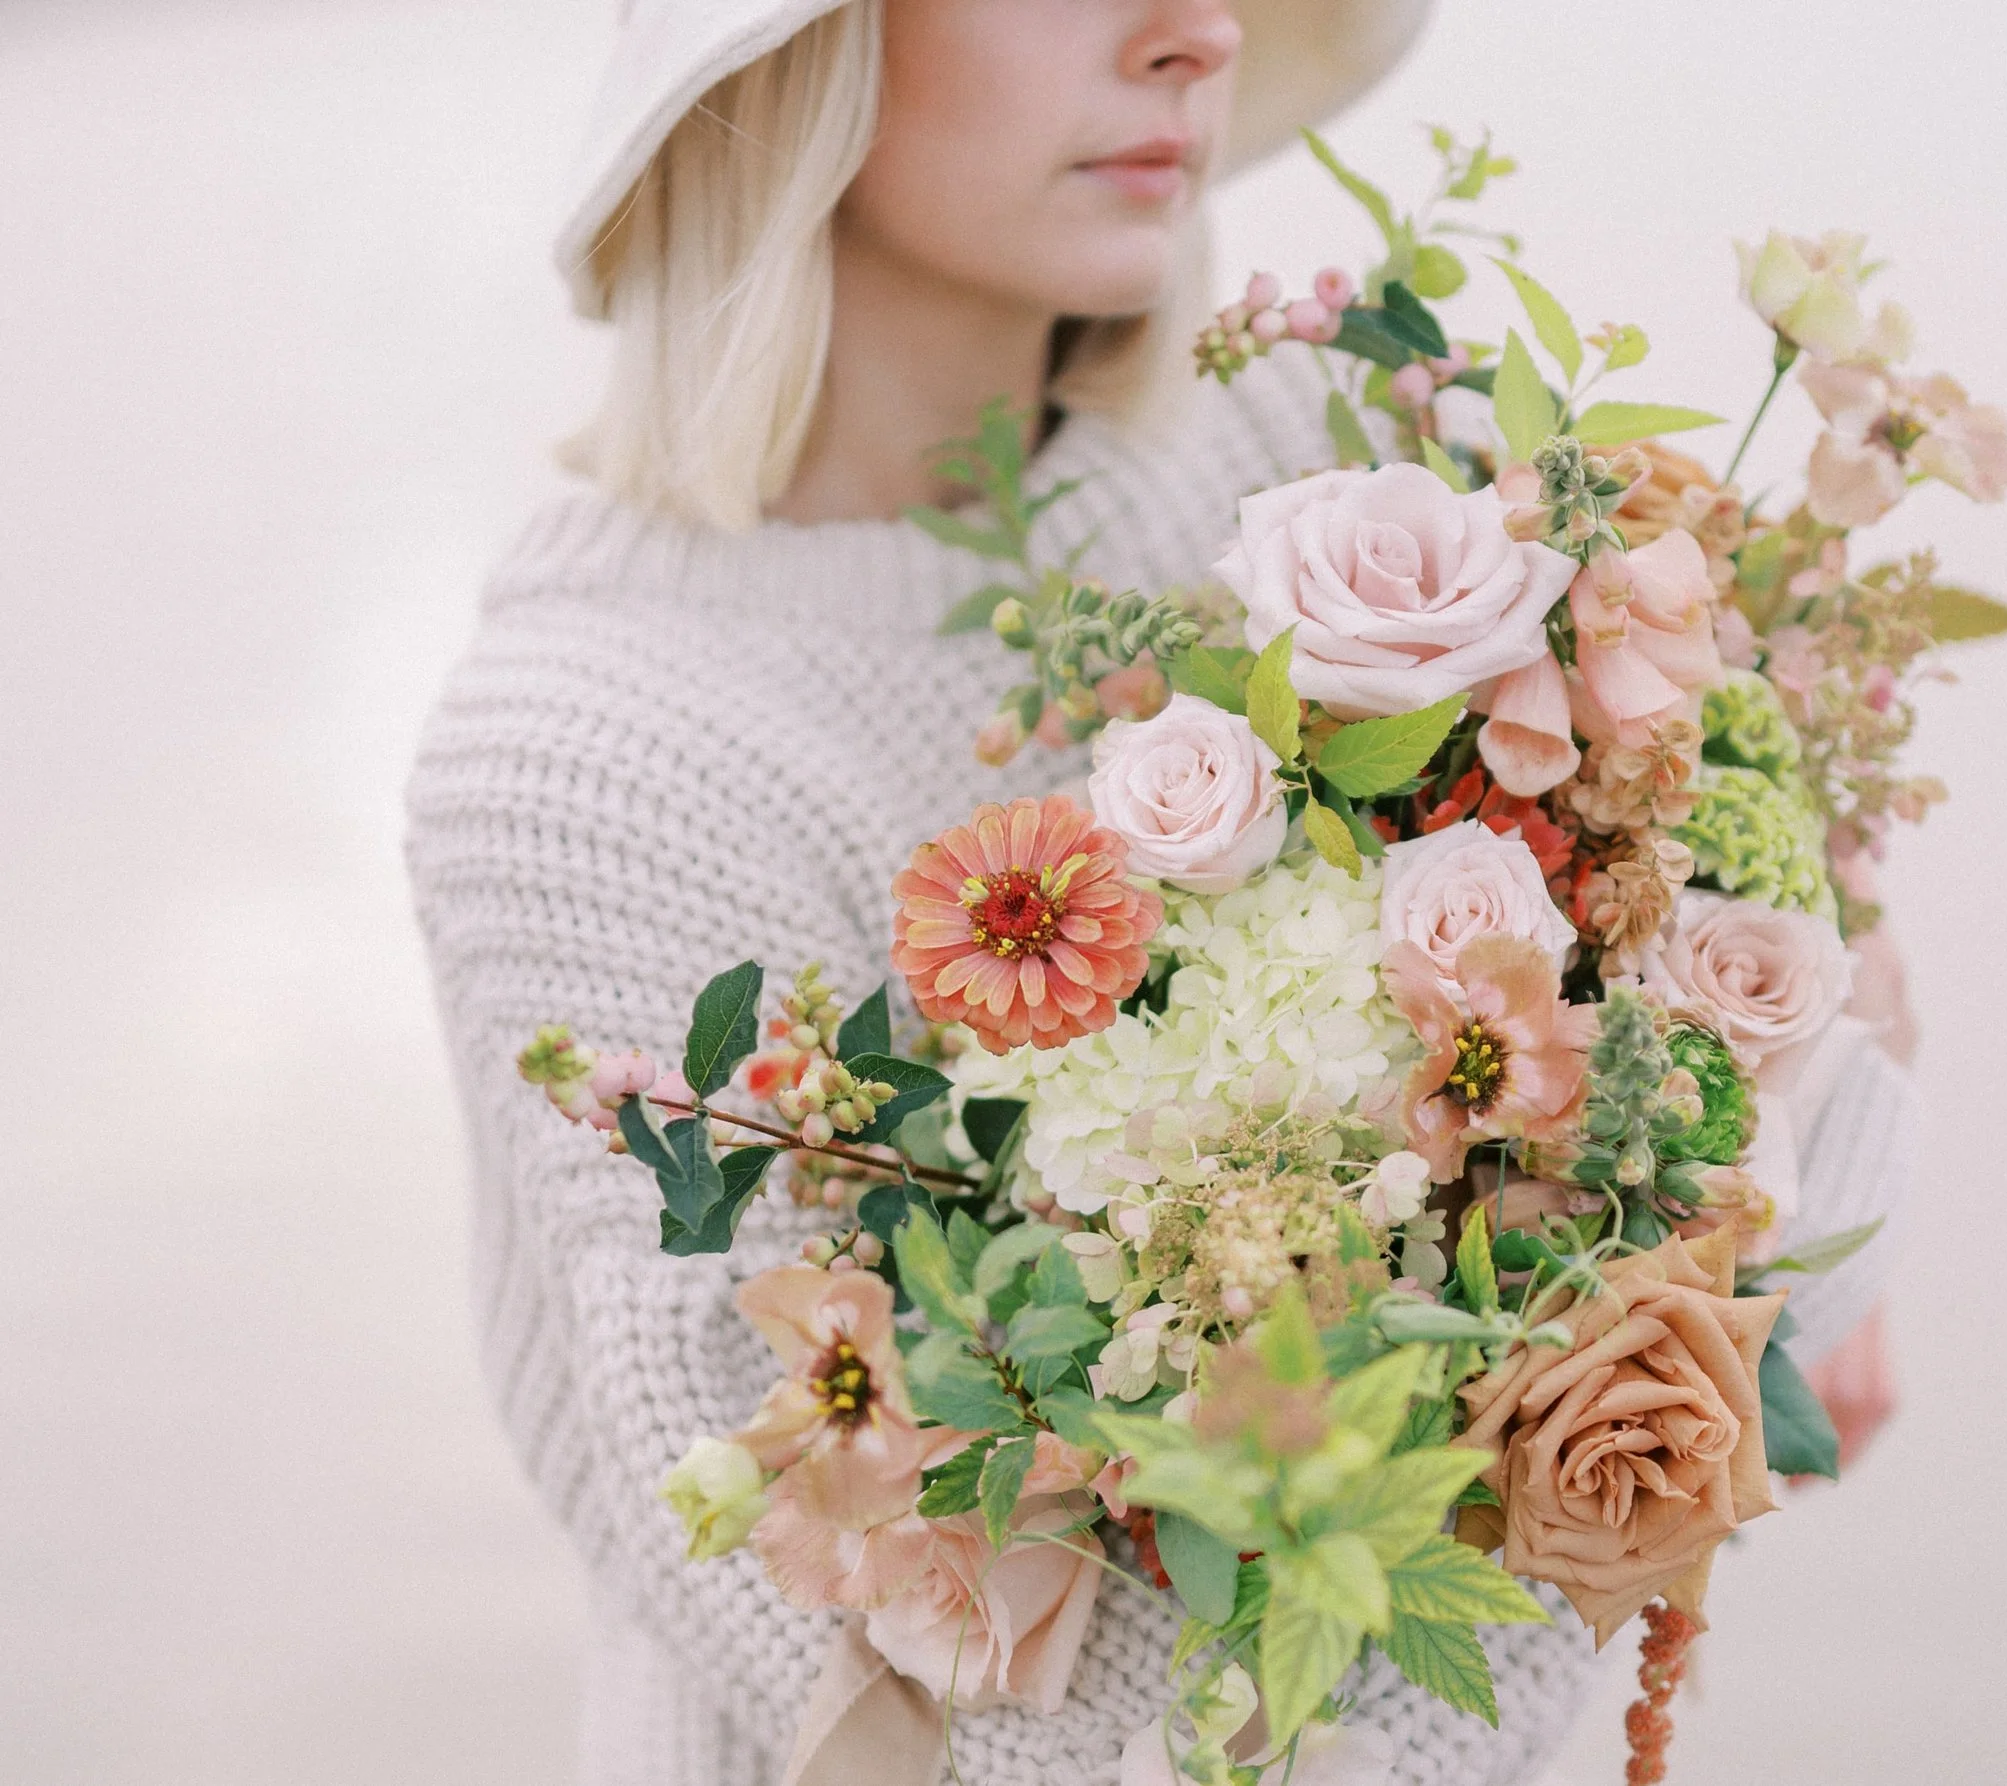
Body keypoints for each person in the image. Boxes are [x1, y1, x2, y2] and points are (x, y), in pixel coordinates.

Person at [406, 3, 1909, 1782]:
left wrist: (1742, 1154)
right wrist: (1690, 1368)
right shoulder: (585, 762)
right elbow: (1044, 1742)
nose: (1199, 32)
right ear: (791, 56)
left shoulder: (1305, 441)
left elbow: (1753, 944)